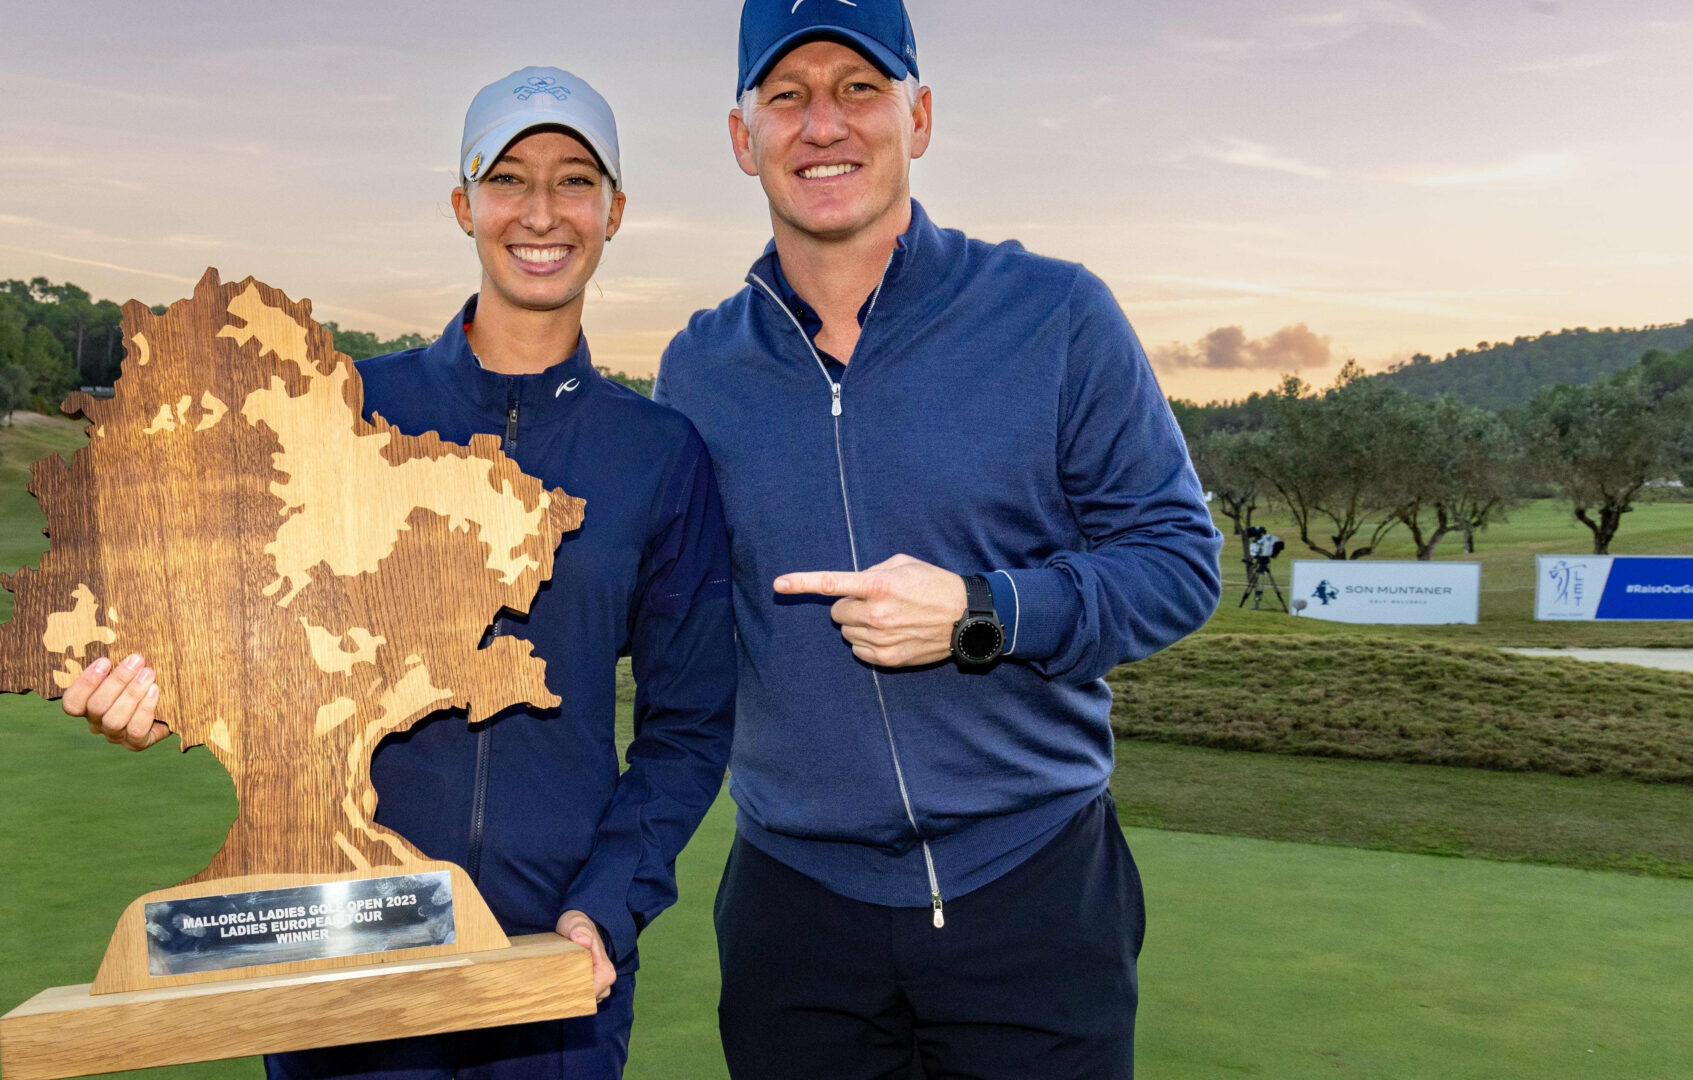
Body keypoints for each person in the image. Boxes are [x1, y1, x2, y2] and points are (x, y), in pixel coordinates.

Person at [60, 67, 736, 1080]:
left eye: (574, 181)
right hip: (338, 960)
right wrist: (157, 695)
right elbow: (234, 634)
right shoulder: (344, 411)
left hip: (554, 971)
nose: (541, 212)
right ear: (463, 205)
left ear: (615, 211)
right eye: (508, 179)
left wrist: (607, 902)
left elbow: (686, 729)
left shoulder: (659, 454)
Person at [653, 2, 1224, 1077]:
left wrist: (983, 610)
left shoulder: (1054, 313)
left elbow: (1178, 563)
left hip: (1033, 890)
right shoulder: (698, 369)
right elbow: (672, 618)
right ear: (743, 139)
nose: (824, 124)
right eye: (788, 96)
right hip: (795, 910)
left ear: (918, 117)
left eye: (860, 89)